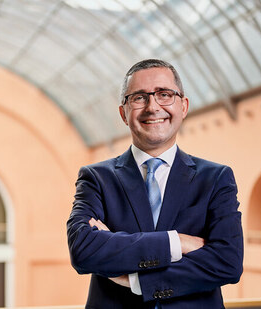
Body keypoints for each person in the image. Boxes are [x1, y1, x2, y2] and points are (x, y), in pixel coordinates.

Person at [67, 59, 243, 308]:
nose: (153, 106)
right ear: (123, 113)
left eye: (164, 94)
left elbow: (228, 262)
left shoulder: (216, 178)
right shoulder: (96, 178)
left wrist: (137, 281)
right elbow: (83, 250)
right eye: (139, 97)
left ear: (183, 106)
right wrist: (177, 242)